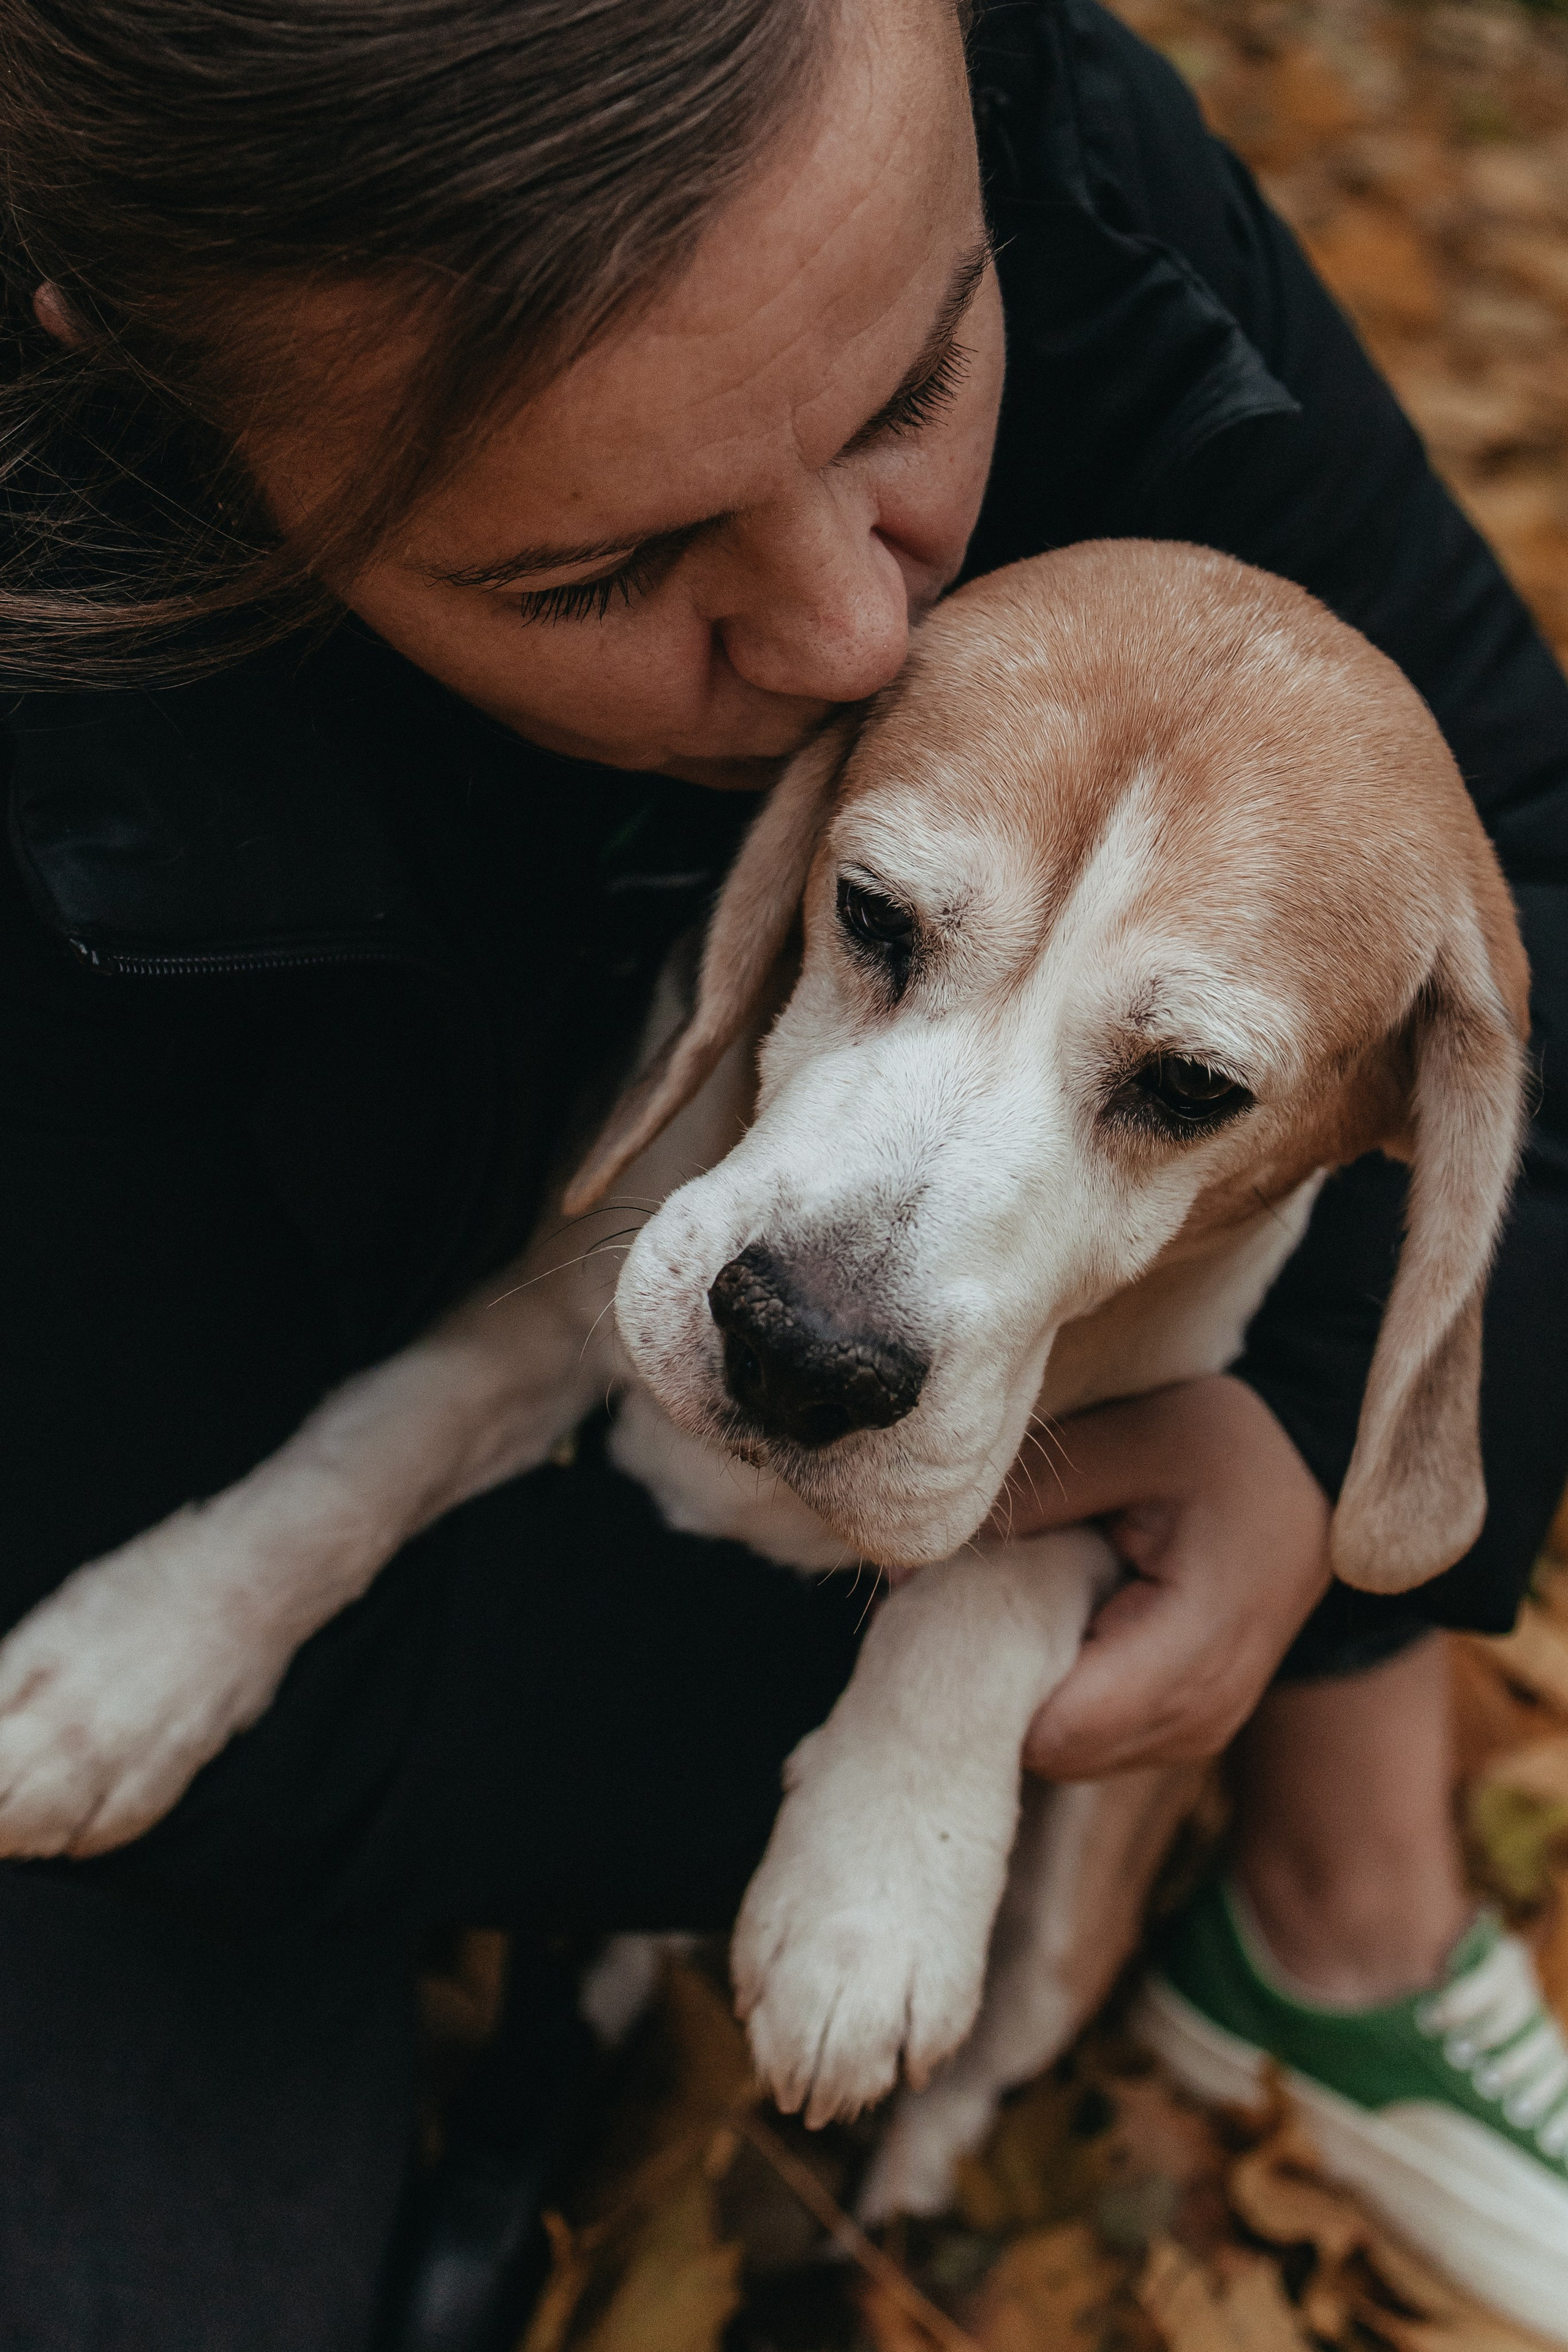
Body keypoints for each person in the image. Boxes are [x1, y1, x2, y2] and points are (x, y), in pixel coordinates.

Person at [0, 0, 1563, 2343]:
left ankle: (1320, 1939)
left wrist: (1307, 1452)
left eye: (914, 384)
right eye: (589, 565)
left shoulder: (1040, 144)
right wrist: (837, 1724)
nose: (862, 644)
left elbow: (1533, 847)